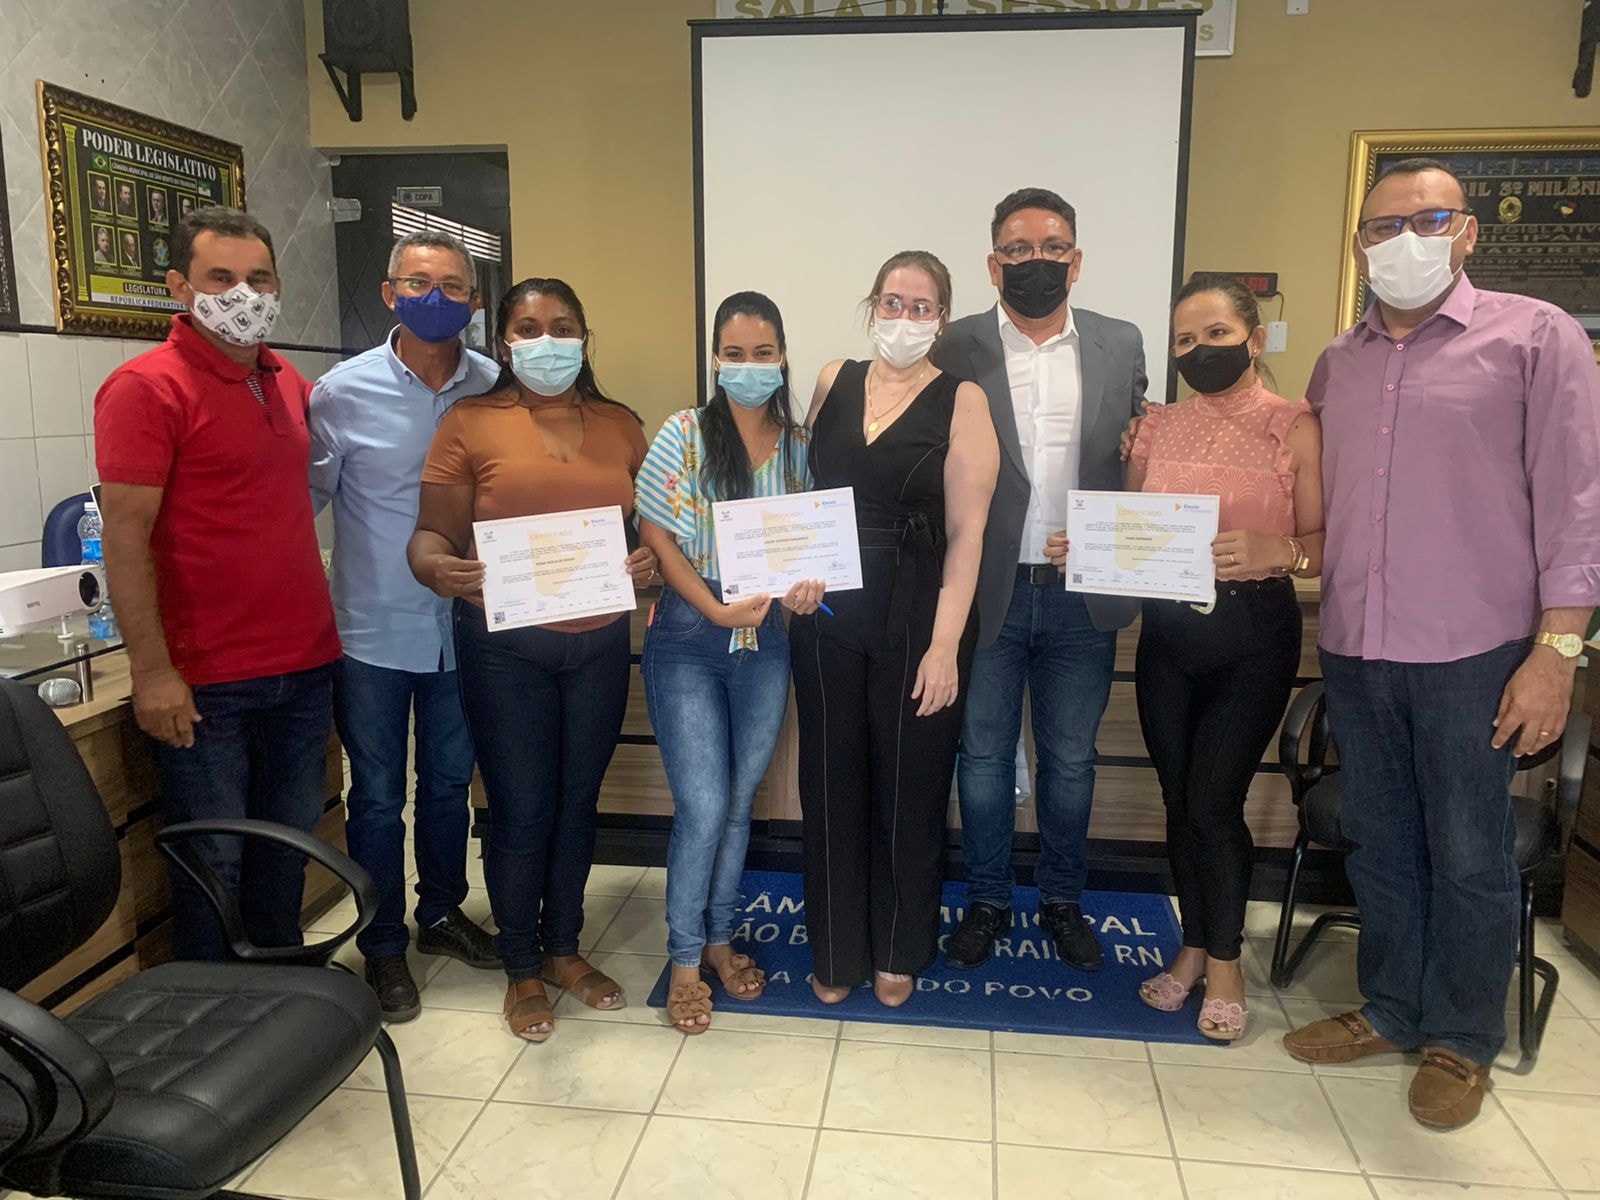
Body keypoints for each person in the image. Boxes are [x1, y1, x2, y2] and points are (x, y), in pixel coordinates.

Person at [1281, 158, 1600, 1130]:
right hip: (1358, 642)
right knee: (1379, 841)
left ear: (1467, 232)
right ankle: (1390, 1008)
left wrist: (1558, 653)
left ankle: (1462, 1037)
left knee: (1467, 850)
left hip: (1477, 651)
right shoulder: (1337, 362)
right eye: (1382, 227)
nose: (1403, 241)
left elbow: (1578, 504)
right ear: (1359, 248)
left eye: (1426, 220)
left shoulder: (1536, 337)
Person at [408, 277, 658, 1042]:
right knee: (521, 809)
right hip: (504, 648)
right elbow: (430, 537)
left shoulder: (621, 425)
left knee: (578, 804)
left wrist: (648, 559)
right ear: (503, 341)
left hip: (599, 644)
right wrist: (435, 567)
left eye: (563, 326)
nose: (546, 341)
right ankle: (520, 966)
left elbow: (650, 531)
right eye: (527, 327)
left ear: (585, 338)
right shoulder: (469, 423)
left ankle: (562, 950)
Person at [95, 206, 339, 961]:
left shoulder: (285, 379)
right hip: (207, 681)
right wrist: (152, 672)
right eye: (221, 277)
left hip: (304, 666)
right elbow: (124, 540)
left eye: (259, 278)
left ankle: (282, 989)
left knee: (288, 847)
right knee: (214, 862)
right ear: (180, 287)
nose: (244, 294)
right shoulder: (145, 388)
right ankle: (216, 1009)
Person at [1098, 276, 1322, 1041]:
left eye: (1217, 334)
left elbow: (1328, 542)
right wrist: (1083, 548)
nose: (1200, 350)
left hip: (1252, 638)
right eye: (1186, 341)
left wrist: (1280, 549)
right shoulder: (1155, 427)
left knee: (1213, 805)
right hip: (1167, 640)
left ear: (1254, 339)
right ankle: (1192, 947)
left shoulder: (1295, 426)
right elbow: (1129, 533)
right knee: (1179, 801)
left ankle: (1226, 964)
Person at [934, 188, 1147, 973]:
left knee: (1071, 762)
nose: (1036, 262)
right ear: (993, 265)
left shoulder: (1121, 343)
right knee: (983, 758)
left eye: (1053, 247)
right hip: (984, 592)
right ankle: (987, 900)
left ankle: (1062, 900)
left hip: (1080, 596)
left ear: (1076, 261)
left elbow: (1133, 457)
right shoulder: (953, 345)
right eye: (1018, 250)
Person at [792, 250, 998, 1008]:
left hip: (920, 614)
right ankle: (837, 949)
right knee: (830, 781)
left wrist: (945, 647)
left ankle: (897, 947)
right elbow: (803, 496)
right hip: (826, 610)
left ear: (940, 319)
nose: (903, 318)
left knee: (910, 787)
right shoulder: (832, 380)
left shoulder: (962, 399)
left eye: (920, 306)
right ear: (871, 305)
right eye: (891, 302)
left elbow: (968, 535)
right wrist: (791, 574)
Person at [309, 230, 501, 1022]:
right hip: (373, 632)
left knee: (450, 783)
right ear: (389, 293)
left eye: (453, 286)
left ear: (475, 303)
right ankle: (382, 943)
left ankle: (442, 912)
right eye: (419, 283)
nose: (435, 298)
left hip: (468, 628)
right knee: (379, 796)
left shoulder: (496, 387)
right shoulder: (339, 394)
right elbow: (300, 506)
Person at [635, 291, 821, 1034]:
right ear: (716, 359)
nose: (749, 366)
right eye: (735, 354)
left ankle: (718, 939)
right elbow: (656, 533)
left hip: (766, 638)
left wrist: (807, 590)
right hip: (690, 634)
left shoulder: (801, 447)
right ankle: (684, 960)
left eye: (763, 353)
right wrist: (713, 610)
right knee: (705, 806)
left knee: (739, 802)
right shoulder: (683, 433)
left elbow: (810, 546)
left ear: (782, 357)